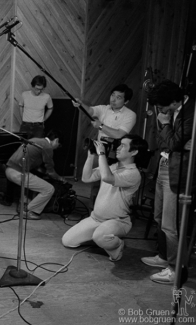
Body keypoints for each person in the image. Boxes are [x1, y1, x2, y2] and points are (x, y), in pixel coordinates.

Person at [62, 134, 148, 261]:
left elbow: (107, 177)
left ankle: (118, 245)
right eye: (119, 145)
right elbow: (86, 178)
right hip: (96, 218)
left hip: (117, 221)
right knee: (67, 241)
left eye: (123, 146)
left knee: (100, 236)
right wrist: (91, 156)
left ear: (134, 152)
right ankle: (101, 237)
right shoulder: (112, 167)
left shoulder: (133, 174)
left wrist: (101, 154)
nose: (118, 148)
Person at [141, 80, 194, 285]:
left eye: (162, 107)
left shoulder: (191, 111)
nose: (160, 111)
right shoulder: (172, 109)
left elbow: (173, 143)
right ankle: (163, 256)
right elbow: (170, 144)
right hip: (165, 163)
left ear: (174, 101)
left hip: (178, 171)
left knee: (171, 225)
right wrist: (173, 139)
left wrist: (164, 124)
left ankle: (175, 268)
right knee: (158, 216)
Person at [72, 84, 137, 202]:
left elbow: (119, 134)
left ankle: (110, 207)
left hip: (117, 152)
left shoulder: (130, 114)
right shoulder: (104, 108)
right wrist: (80, 104)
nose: (113, 99)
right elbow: (90, 111)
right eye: (113, 95)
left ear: (126, 101)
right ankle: (95, 209)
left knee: (111, 182)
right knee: (96, 181)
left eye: (119, 97)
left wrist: (101, 126)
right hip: (100, 148)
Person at [4, 129, 65, 220]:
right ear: (56, 140)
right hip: (18, 173)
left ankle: (24, 204)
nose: (56, 148)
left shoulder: (35, 140)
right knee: (49, 189)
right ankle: (28, 211)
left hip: (9, 170)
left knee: (35, 181)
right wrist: (61, 179)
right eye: (58, 145)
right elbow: (51, 171)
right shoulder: (47, 147)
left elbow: (36, 166)